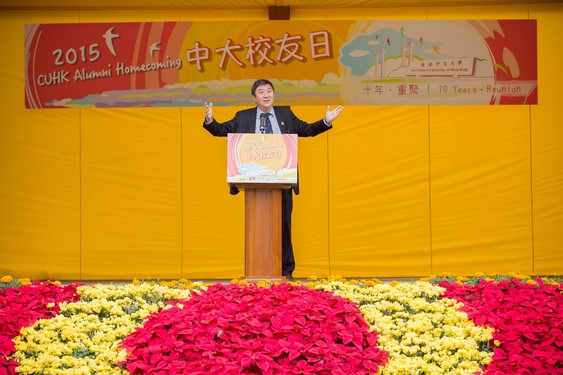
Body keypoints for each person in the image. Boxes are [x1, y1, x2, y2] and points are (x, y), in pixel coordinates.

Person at [203, 79, 343, 279]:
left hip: (282, 180)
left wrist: (326, 120)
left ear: (274, 95)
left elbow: (307, 130)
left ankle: (287, 271)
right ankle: (255, 270)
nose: (266, 95)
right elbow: (220, 131)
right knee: (257, 227)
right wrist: (210, 120)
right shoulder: (243, 117)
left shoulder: (286, 115)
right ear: (254, 97)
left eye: (269, 91)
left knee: (284, 225)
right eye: (261, 92)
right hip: (254, 181)